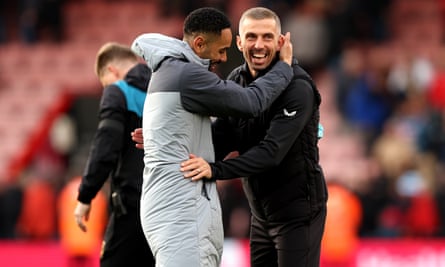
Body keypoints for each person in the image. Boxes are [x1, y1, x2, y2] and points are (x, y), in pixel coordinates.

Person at [130, 7, 293, 267]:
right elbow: (251, 102)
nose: (224, 57)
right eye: (221, 50)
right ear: (199, 43)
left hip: (175, 205)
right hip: (181, 210)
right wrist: (284, 68)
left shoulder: (169, 71)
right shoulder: (188, 75)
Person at [179, 7, 328, 267]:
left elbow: (271, 153)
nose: (259, 45)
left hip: (298, 214)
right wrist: (174, 141)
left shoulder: (298, 87)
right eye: (251, 37)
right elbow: (222, 136)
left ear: (281, 41)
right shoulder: (237, 80)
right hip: (260, 215)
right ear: (239, 41)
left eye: (267, 37)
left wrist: (214, 170)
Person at [73, 42, 155, 267]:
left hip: (132, 204)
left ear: (112, 71)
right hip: (168, 206)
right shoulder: (163, 91)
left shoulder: (118, 90)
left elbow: (105, 146)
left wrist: (85, 195)